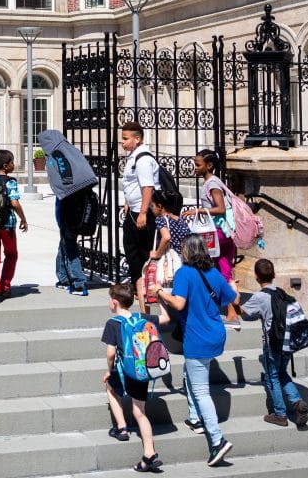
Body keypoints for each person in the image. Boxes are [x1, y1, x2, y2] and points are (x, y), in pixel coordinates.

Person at [154, 234, 239, 468]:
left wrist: (160, 292)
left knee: (202, 391)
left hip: (197, 337)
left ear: (187, 252)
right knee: (194, 377)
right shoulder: (213, 273)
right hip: (215, 335)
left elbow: (179, 303)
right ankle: (194, 417)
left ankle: (217, 439)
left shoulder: (185, 273)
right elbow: (232, 297)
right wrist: (231, 284)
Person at [101, 281, 170, 473]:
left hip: (124, 370)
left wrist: (109, 370)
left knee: (110, 386)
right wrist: (159, 297)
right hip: (142, 370)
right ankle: (150, 453)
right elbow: (165, 318)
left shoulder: (113, 323)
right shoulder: (142, 316)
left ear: (114, 303)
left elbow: (110, 354)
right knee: (140, 413)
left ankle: (122, 428)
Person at [238, 258, 308, 429]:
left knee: (272, 377)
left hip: (272, 344)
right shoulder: (282, 293)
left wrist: (235, 293)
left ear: (256, 277)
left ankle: (280, 414)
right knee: (281, 372)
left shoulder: (260, 297)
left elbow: (243, 313)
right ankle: (297, 402)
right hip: (288, 343)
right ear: (274, 275)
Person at [38, 128, 97, 296]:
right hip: (79, 200)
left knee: (69, 242)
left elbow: (66, 177)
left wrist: (64, 189)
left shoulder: (56, 154)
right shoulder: (70, 149)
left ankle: (79, 283)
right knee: (65, 239)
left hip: (69, 204)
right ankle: (63, 278)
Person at [183, 149, 239, 326]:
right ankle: (232, 309)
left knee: (206, 268)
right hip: (226, 232)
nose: (195, 168)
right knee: (225, 269)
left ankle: (224, 308)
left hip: (218, 232)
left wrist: (197, 210)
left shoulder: (211, 184)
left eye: (198, 165)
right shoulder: (215, 182)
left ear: (209, 165)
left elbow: (221, 208)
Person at [121, 121, 160, 312]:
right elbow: (133, 185)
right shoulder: (133, 157)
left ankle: (147, 308)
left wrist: (143, 212)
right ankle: (142, 300)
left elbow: (148, 187)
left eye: (126, 139)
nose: (123, 142)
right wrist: (128, 202)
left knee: (142, 259)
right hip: (134, 211)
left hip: (142, 214)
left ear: (137, 139)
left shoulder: (143, 159)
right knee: (133, 256)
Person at [0, 149, 28, 304]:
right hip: (7, 224)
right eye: (12, 162)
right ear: (5, 165)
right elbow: (14, 202)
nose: (13, 164)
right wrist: (23, 218)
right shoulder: (10, 182)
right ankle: (5, 287)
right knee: (11, 254)